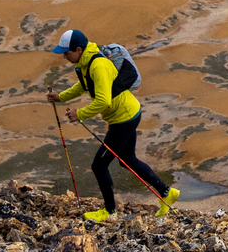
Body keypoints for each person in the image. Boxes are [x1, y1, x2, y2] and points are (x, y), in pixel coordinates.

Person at [46, 28, 178, 223]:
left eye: (67, 52)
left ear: (79, 50)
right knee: (127, 160)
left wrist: (79, 114)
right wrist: (60, 97)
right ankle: (167, 193)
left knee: (99, 165)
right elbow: (83, 86)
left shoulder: (98, 65)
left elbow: (103, 101)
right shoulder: (84, 64)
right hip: (128, 114)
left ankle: (109, 212)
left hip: (123, 118)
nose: (64, 56)